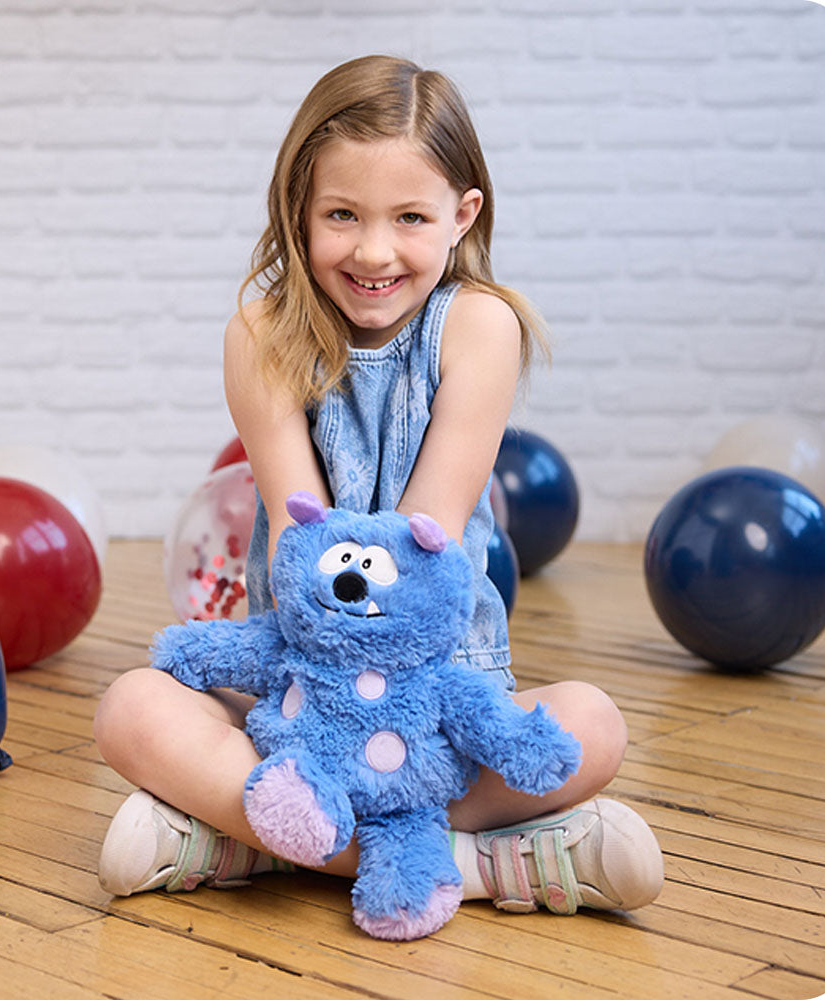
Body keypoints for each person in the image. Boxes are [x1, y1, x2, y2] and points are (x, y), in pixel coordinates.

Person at [93, 55, 664, 917]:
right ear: (300, 211)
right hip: (297, 690)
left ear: (461, 215)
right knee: (131, 708)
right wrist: (310, 709)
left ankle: (240, 844)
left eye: (409, 217)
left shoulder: (481, 325)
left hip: (436, 696)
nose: (373, 250)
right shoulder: (260, 332)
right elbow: (303, 544)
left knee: (593, 726)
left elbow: (416, 548)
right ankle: (489, 868)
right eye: (342, 215)